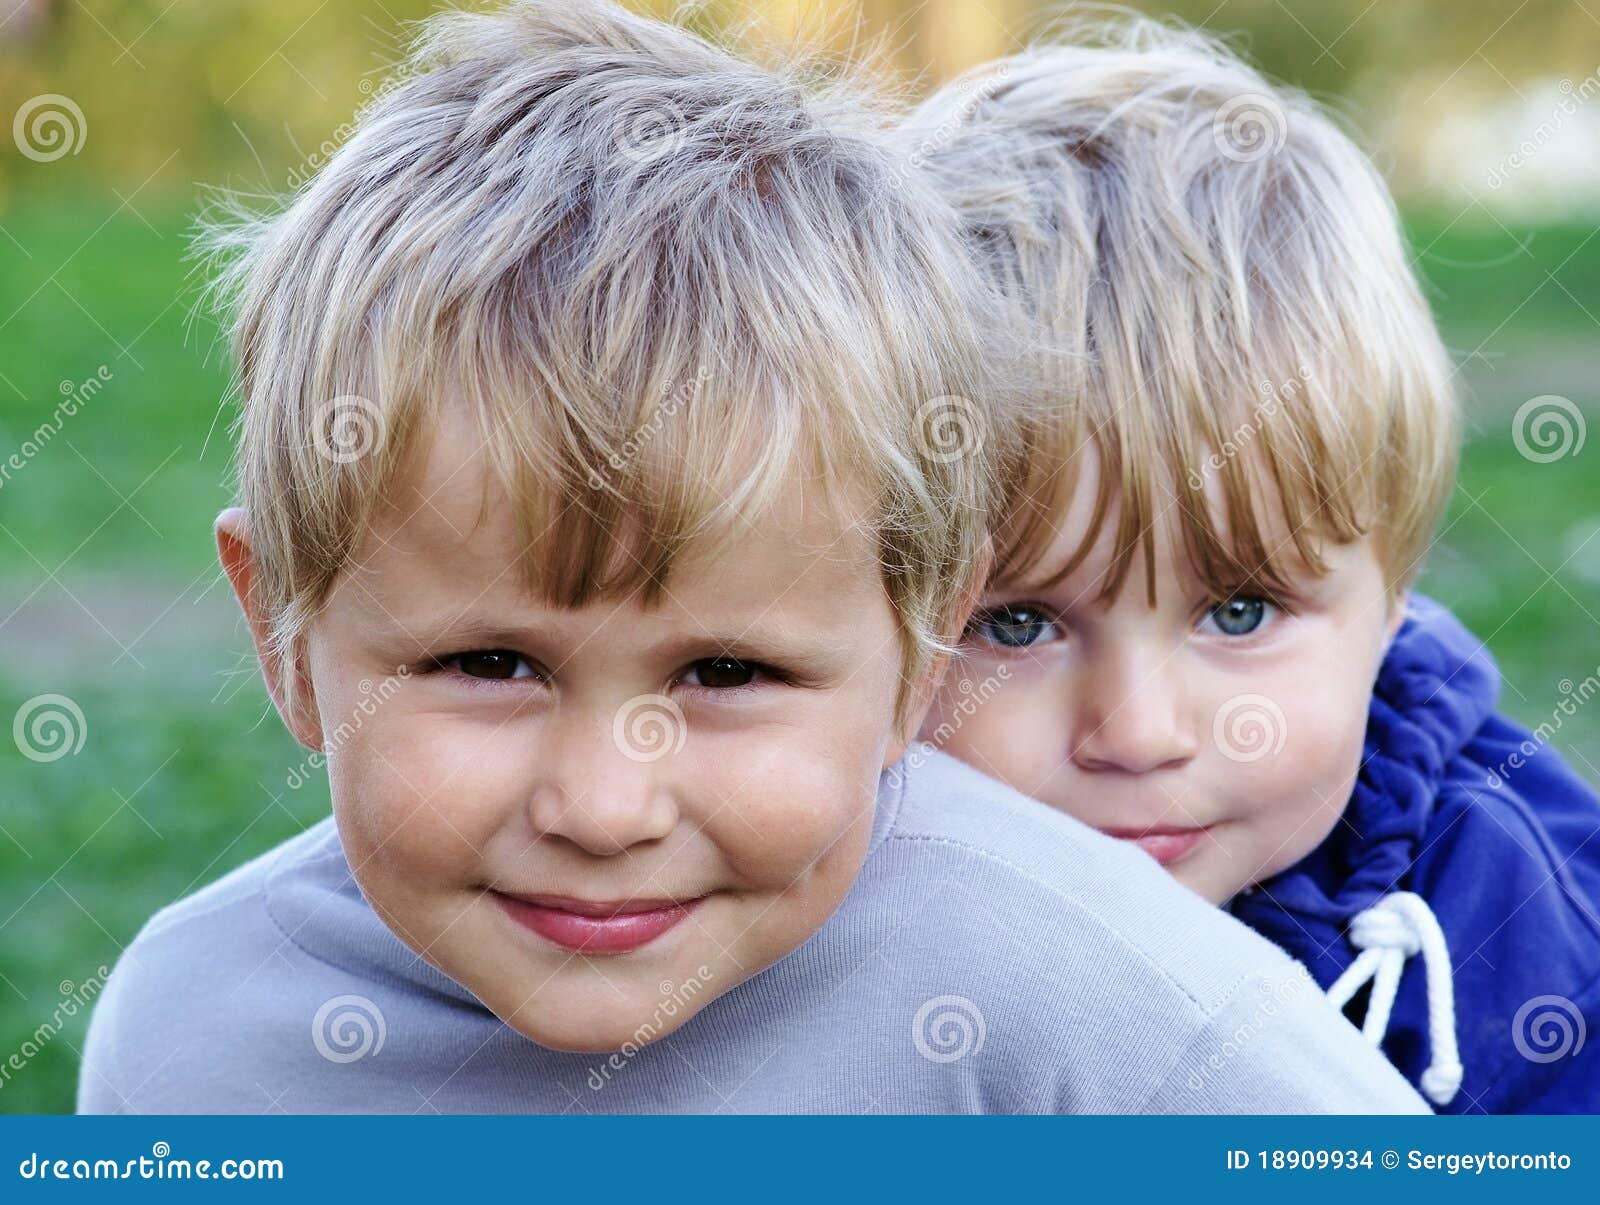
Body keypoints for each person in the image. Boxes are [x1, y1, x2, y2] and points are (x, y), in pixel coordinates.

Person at [77, 0, 1427, 1114]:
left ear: (919, 647)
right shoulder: (188, 1046)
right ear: (283, 633)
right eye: (488, 662)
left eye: (727, 670)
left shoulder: (1090, 995)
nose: (605, 807)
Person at [910, 15, 1600, 1113]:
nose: (1138, 733)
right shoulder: (804, 887)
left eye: (1237, 611)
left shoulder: (1516, 928)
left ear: (1391, 602)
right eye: (1018, 622)